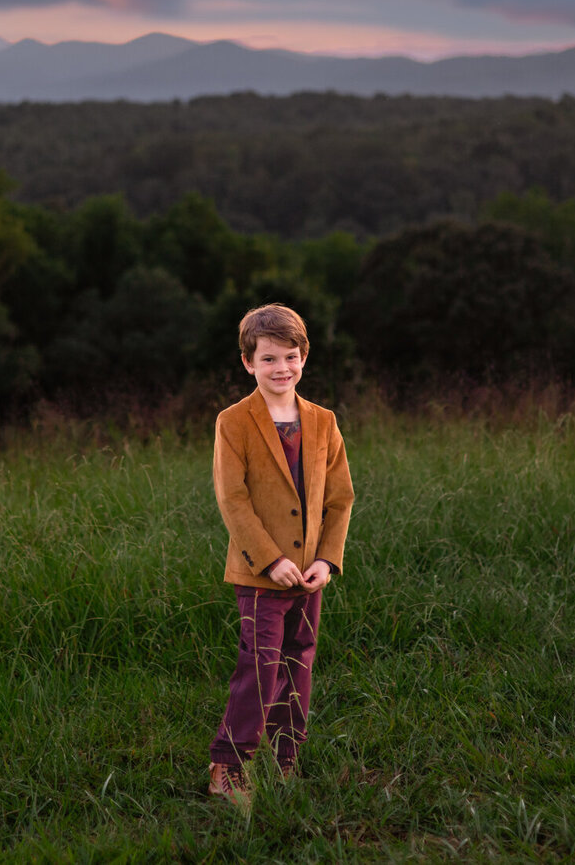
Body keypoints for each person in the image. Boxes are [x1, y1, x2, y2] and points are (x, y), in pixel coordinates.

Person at [207, 303, 354, 803]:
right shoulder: (234, 422)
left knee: (300, 659)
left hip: (310, 571)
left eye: (290, 357)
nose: (281, 368)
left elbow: (340, 497)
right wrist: (270, 559)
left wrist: (326, 560)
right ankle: (229, 763)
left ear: (304, 357)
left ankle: (285, 758)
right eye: (268, 359)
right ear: (248, 362)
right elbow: (233, 499)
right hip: (259, 573)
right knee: (260, 663)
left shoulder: (323, 421)